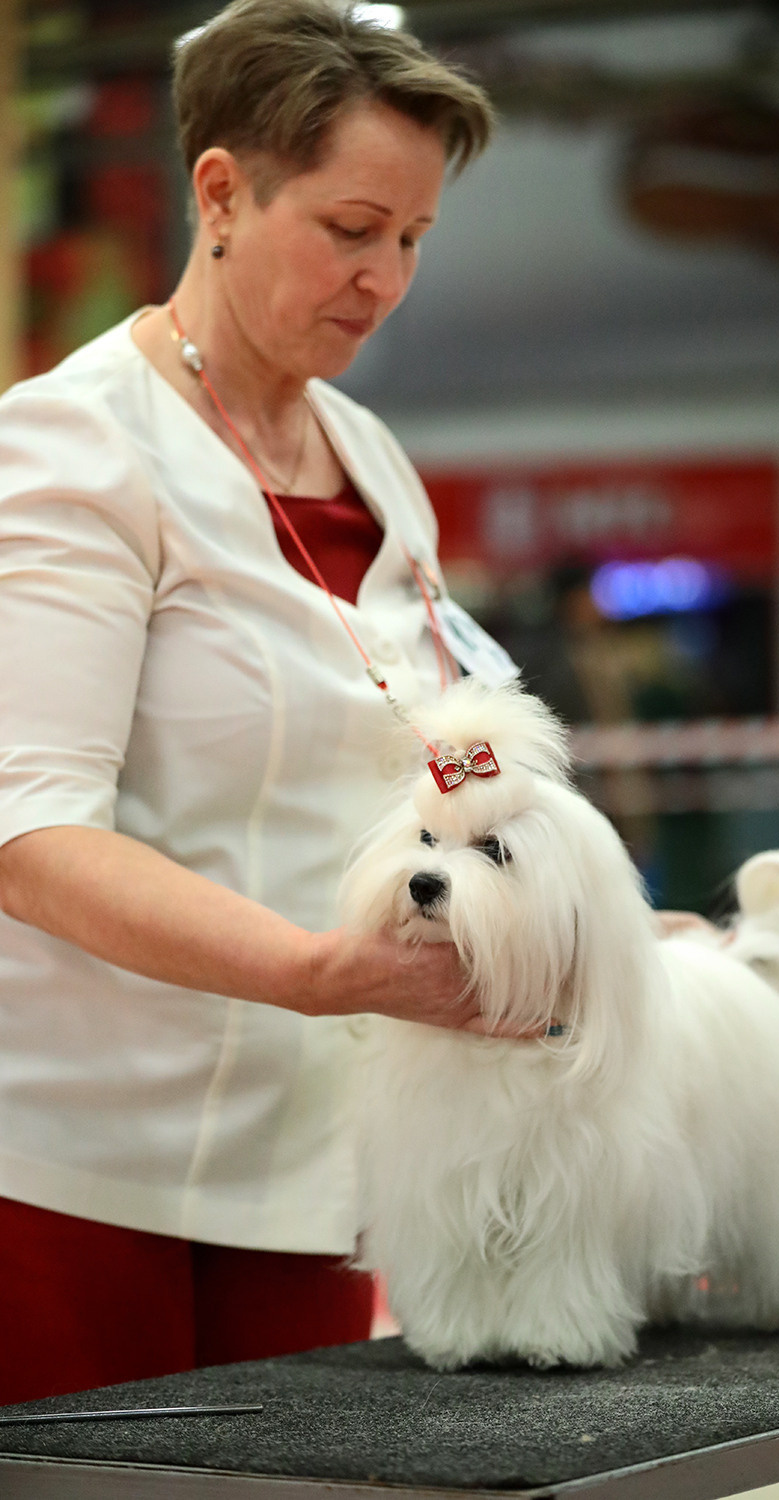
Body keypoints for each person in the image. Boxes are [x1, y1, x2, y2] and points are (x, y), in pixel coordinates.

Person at [0, 0, 531, 1406]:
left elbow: (431, 738)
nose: (386, 280)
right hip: (77, 1170)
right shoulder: (70, 448)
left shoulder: (371, 455)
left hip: (316, 1164)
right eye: (352, 230)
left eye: (413, 239)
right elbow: (30, 837)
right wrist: (314, 970)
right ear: (222, 193)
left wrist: (564, 899)